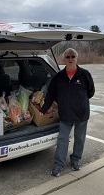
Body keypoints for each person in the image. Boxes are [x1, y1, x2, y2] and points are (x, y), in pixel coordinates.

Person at [40, 48, 95, 177]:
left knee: (80, 139)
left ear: (76, 58)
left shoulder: (85, 74)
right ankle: (58, 165)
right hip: (65, 114)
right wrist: (44, 109)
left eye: (72, 56)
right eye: (68, 57)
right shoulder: (58, 77)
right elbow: (51, 94)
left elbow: (91, 92)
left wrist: (80, 102)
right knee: (62, 139)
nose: (70, 59)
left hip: (81, 114)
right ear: (64, 59)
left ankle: (76, 160)